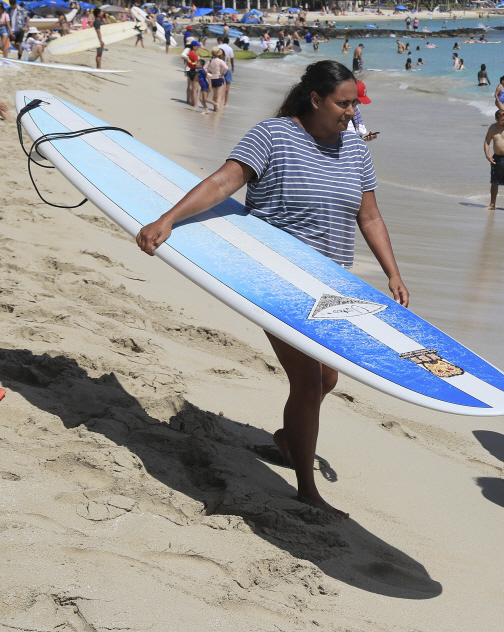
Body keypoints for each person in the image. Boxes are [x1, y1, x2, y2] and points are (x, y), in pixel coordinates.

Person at [136, 61, 407, 517]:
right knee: (306, 380)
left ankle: (287, 437)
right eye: (343, 103)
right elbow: (224, 181)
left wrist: (392, 273)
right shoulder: (274, 136)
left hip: (329, 286)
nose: (351, 111)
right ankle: (306, 488)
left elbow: (370, 217)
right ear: (316, 100)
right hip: (275, 278)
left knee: (327, 378)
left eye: (354, 103)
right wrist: (169, 218)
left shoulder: (356, 151)